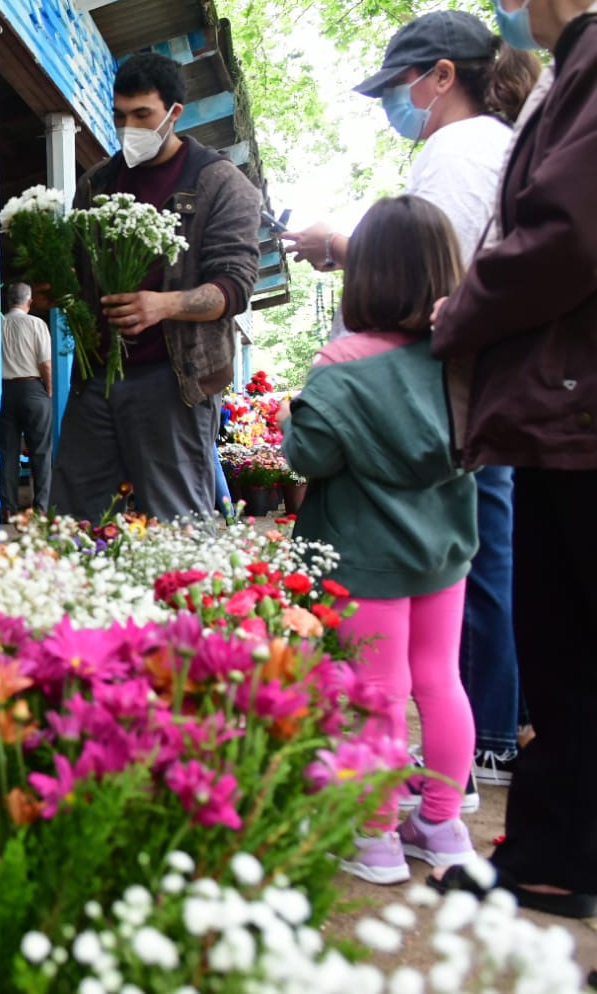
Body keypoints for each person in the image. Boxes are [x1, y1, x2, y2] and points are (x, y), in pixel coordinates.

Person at [284, 13, 541, 788]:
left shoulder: (460, 149)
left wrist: (347, 248)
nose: (391, 104)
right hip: (469, 398)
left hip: (456, 389)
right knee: (450, 632)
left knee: (396, 664)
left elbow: (444, 274)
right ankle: (456, 782)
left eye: (398, 85)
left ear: (438, 76)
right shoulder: (495, 145)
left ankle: (403, 799)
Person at [429, 0, 597, 919]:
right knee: (564, 648)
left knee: (571, 635)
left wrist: (461, 308)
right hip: (562, 412)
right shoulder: (569, 71)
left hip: (578, 410)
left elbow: (564, 234)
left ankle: (558, 849)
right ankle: (553, 853)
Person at [283, 196, 479, 886]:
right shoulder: (460, 362)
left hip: (364, 559)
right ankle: (442, 823)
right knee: (440, 681)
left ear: (362, 273)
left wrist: (291, 414)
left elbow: (308, 458)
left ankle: (372, 838)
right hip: (443, 554)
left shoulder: (340, 361)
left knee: (376, 689)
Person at [51, 52, 261, 520]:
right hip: (96, 382)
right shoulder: (97, 183)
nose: (128, 127)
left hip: (174, 381)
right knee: (73, 523)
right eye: (119, 116)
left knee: (179, 524)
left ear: (174, 113)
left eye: (142, 115)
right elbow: (75, 270)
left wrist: (162, 304)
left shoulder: (219, 182)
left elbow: (235, 286)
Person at [0, 282, 52, 519]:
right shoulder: (36, 323)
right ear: (29, 302)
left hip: (4, 391)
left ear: (7, 301)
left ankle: (8, 508)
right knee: (41, 451)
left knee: (7, 452)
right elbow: (45, 363)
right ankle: (40, 508)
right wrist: (49, 389)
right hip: (33, 389)